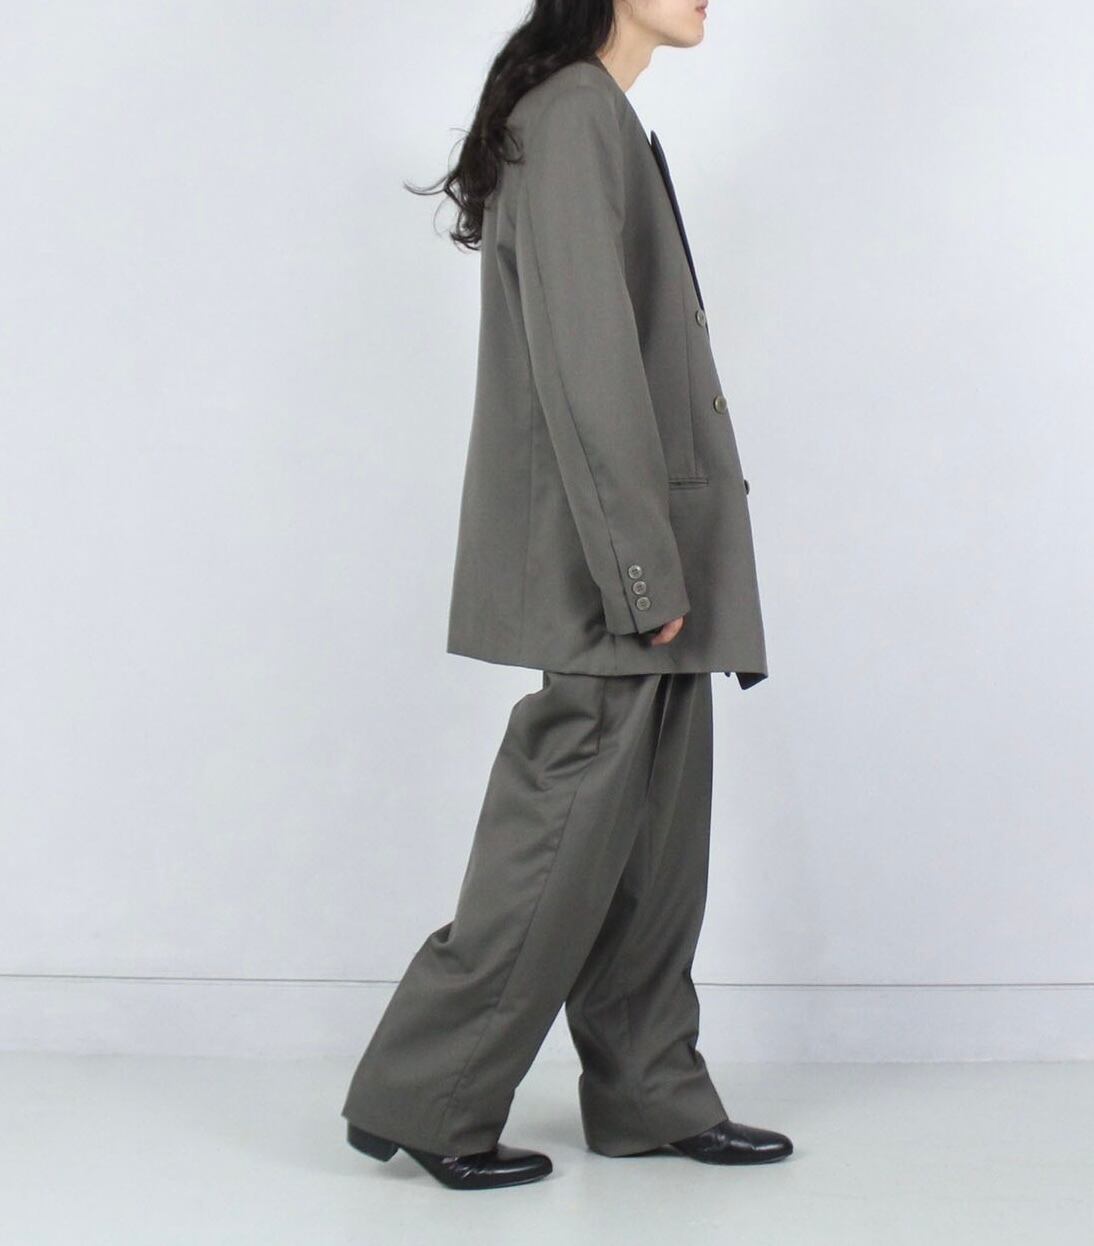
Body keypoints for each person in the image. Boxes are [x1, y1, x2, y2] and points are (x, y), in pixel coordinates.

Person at [340, 0, 788, 1190]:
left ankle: (647, 1091)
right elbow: (586, 367)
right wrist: (640, 567)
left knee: (651, 845)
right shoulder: (574, 116)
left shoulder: (597, 115)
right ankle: (425, 1093)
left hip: (656, 545)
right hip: (617, 560)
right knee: (558, 836)